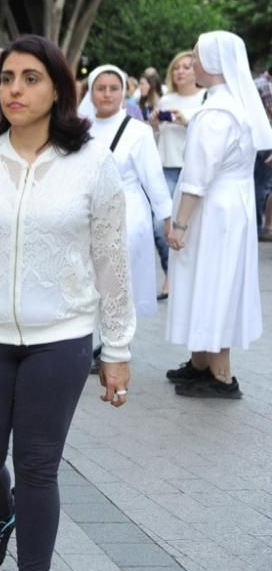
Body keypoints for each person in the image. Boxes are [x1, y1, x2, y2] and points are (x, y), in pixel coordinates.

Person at [0, 35, 135, 571]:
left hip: (60, 337)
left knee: (39, 467)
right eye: (7, 78)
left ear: (58, 88)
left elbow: (111, 257)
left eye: (30, 78)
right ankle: (0, 511)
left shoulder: (92, 163)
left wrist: (118, 346)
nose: (15, 89)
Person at [165, 31, 271, 399]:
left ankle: (220, 375)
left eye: (196, 57)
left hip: (212, 212)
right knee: (213, 281)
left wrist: (179, 224)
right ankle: (200, 364)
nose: (191, 63)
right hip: (231, 207)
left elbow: (196, 179)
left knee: (212, 284)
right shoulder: (236, 104)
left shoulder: (215, 114)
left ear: (212, 62)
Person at [87, 64, 171, 372]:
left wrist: (166, 217)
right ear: (91, 92)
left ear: (123, 91)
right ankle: (95, 341)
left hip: (128, 214)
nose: (107, 94)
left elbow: (153, 178)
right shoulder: (80, 128)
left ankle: (116, 345)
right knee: (90, 280)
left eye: (113, 88)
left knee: (121, 279)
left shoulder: (138, 131)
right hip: (90, 215)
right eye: (101, 88)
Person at [151, 51, 205, 300]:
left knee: (188, 227)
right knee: (160, 225)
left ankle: (185, 278)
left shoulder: (205, 99)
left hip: (191, 171)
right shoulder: (165, 99)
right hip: (165, 166)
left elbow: (207, 139)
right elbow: (155, 139)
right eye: (176, 68)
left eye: (186, 67)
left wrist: (187, 122)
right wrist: (154, 125)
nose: (180, 71)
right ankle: (170, 276)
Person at [251, 66, 272, 240]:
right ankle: (258, 227)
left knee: (255, 182)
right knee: (263, 185)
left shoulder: (255, 82)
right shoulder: (266, 85)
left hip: (254, 136)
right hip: (267, 136)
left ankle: (256, 225)